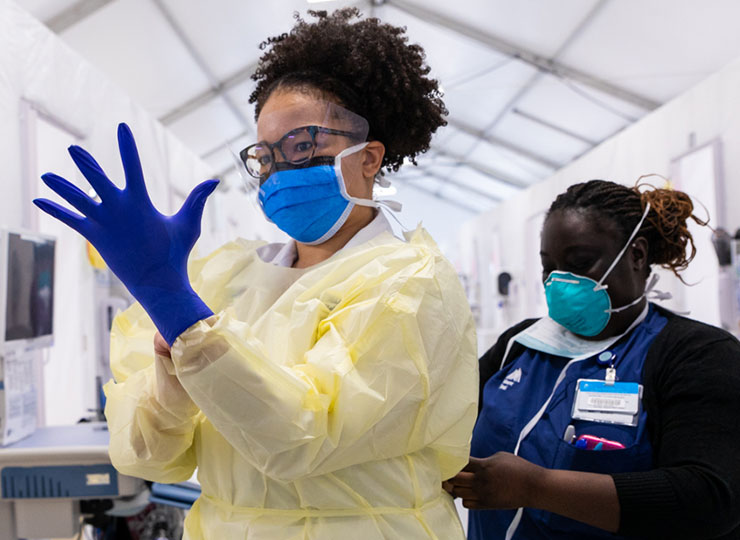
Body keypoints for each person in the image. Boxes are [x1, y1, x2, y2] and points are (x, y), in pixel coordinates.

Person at [34, 8, 478, 540]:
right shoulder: (227, 279)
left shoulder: (410, 285)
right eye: (265, 156)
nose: (279, 171)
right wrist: (171, 371)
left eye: (303, 147)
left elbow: (301, 439)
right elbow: (148, 457)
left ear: (368, 158)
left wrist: (181, 313)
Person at [444, 179, 740, 539]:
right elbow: (443, 423)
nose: (559, 282)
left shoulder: (695, 354)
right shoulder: (521, 344)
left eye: (580, 263)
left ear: (637, 255)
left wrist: (538, 487)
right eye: (548, 268)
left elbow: (709, 498)